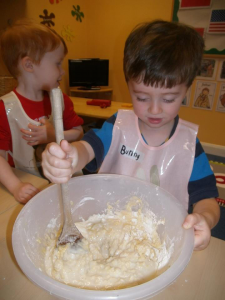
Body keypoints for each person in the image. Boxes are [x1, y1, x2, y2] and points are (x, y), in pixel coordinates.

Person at [42, 20, 220, 251]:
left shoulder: (188, 147)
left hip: (162, 243)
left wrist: (205, 219)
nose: (155, 110)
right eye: (142, 98)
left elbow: (208, 201)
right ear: (129, 86)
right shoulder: (118, 125)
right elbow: (88, 148)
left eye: (168, 99)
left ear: (186, 90)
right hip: (107, 232)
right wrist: (70, 157)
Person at [0, 19, 84, 204]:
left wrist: (53, 135)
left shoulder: (62, 100)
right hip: (30, 188)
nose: (62, 72)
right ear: (29, 65)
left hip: (65, 185)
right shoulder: (4, 109)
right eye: (57, 64)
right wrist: (16, 186)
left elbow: (79, 134)